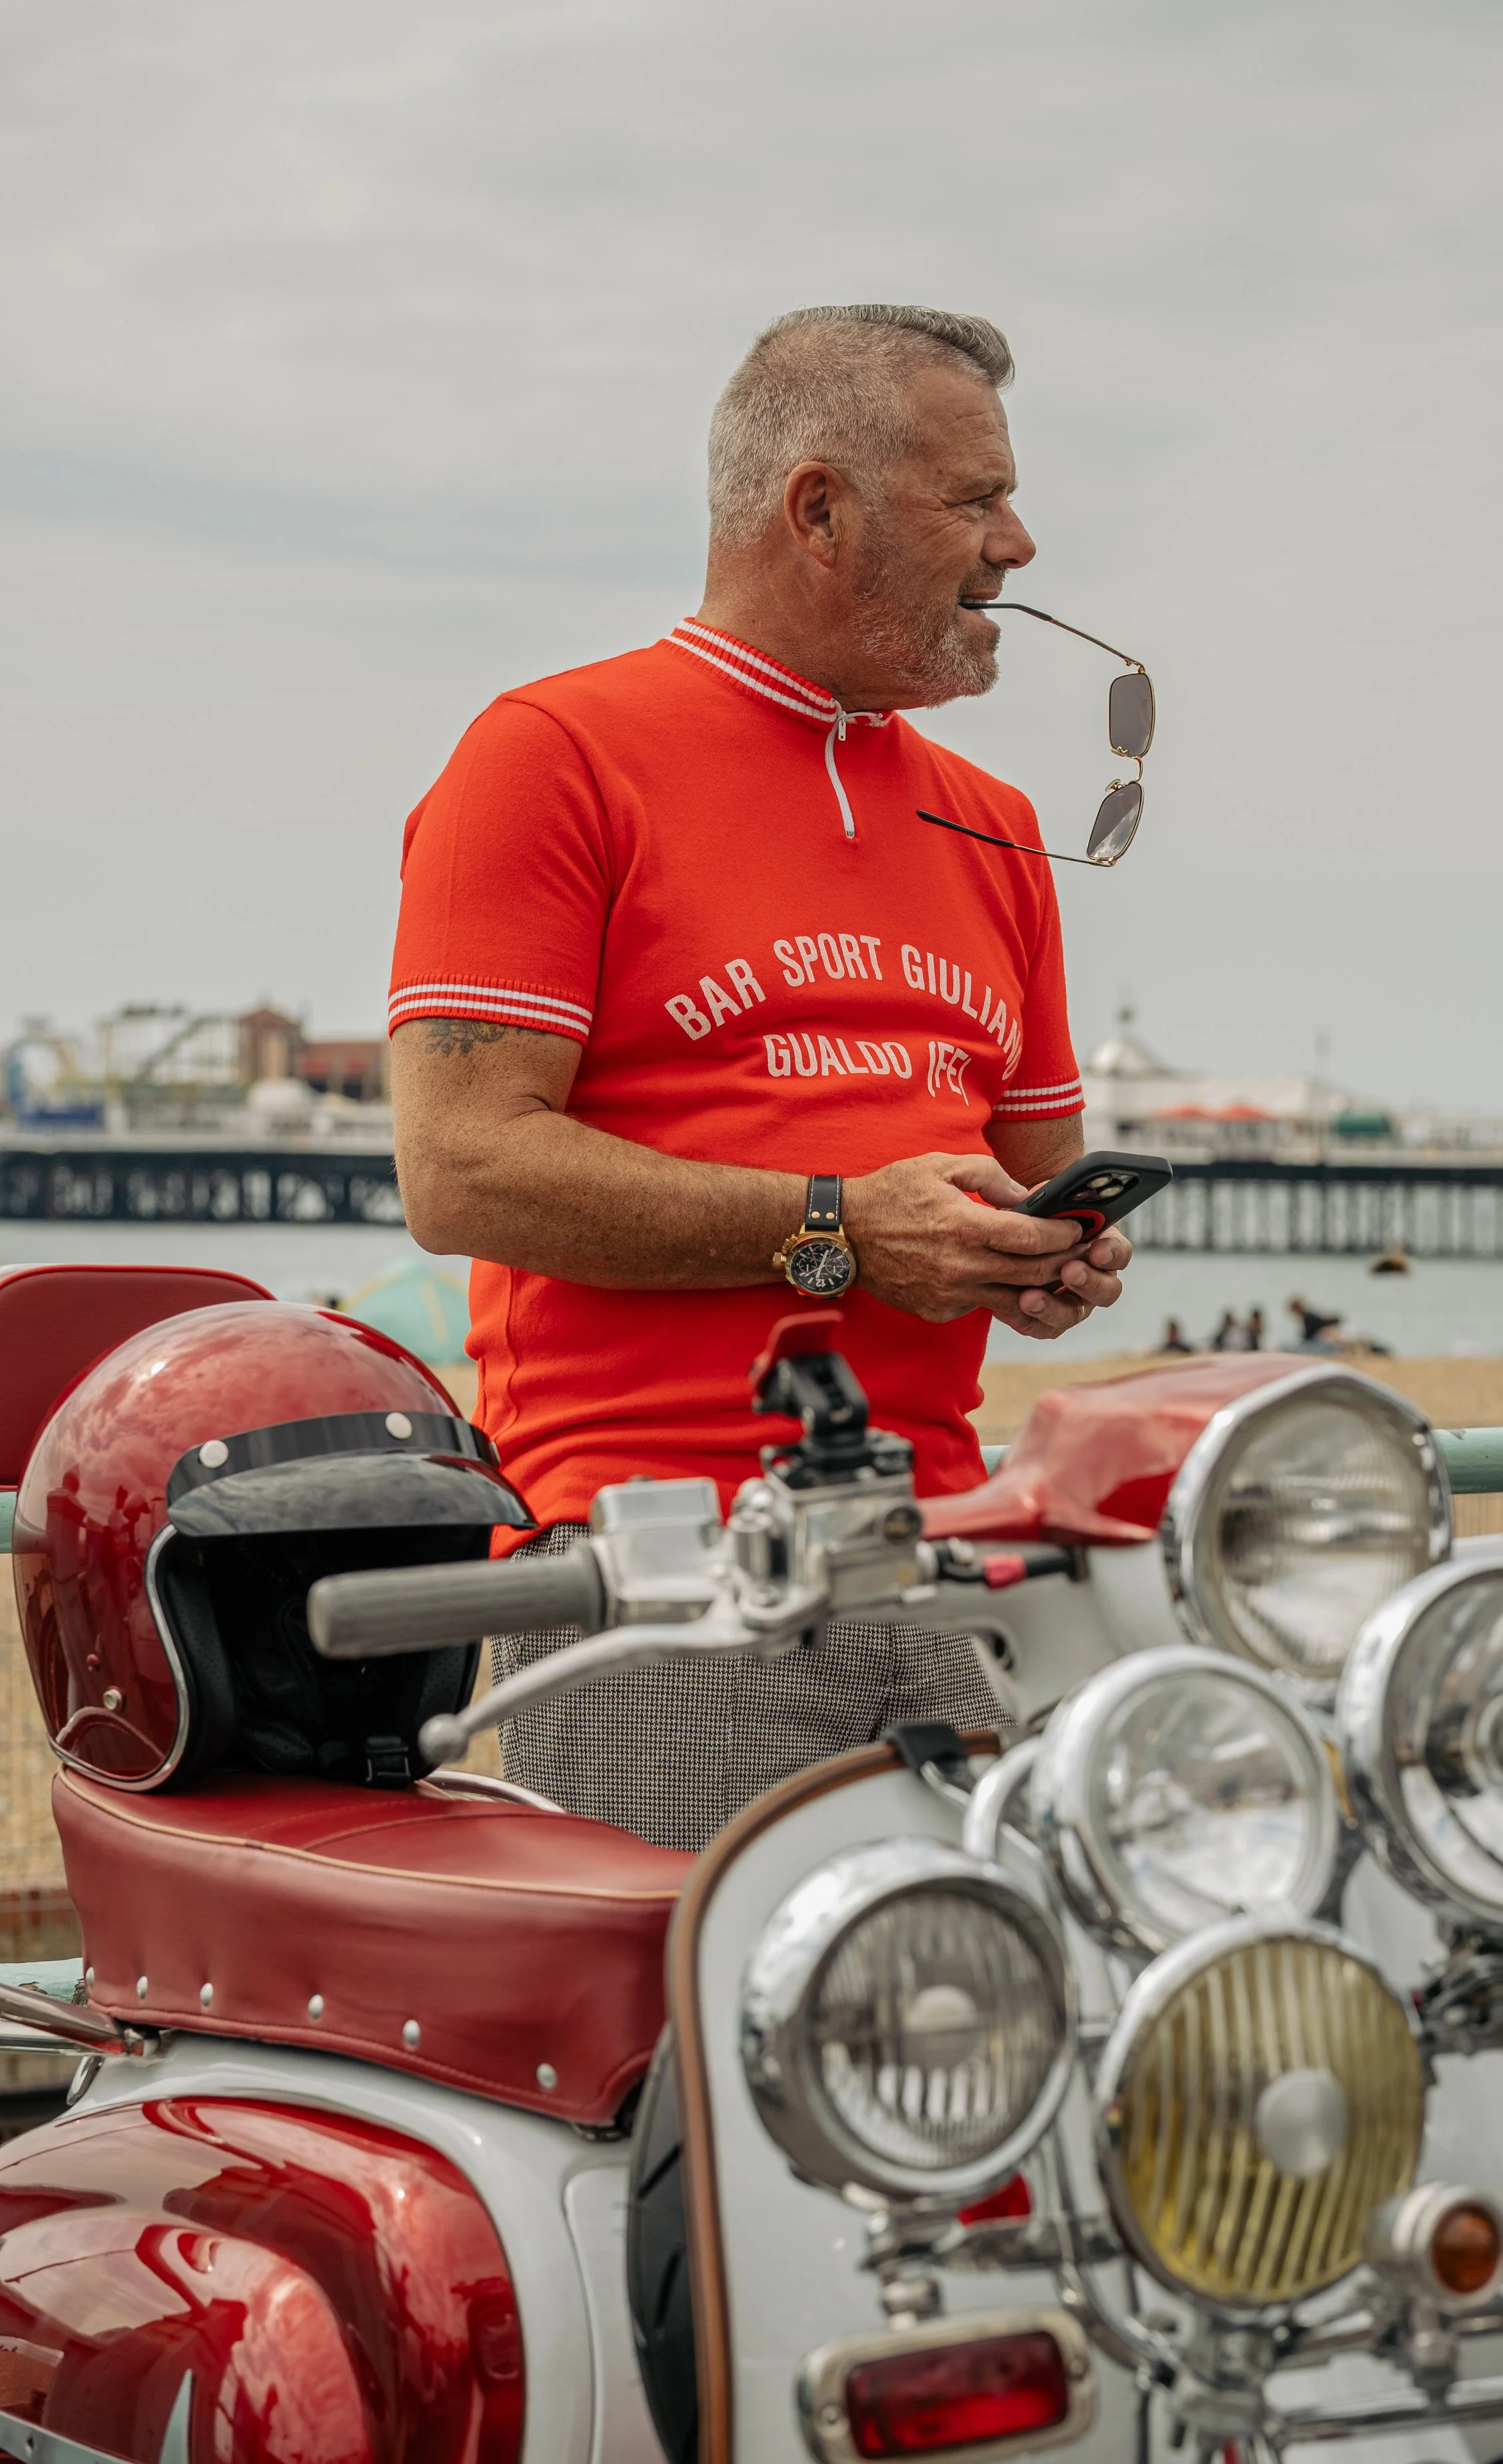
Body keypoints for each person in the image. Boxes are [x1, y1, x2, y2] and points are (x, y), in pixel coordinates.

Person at [389, 303, 1132, 1849]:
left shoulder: (994, 821)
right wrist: (840, 1225)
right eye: (973, 498)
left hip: (940, 1539)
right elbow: (459, 1170)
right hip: (654, 1568)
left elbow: (1016, 1167)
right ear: (818, 510)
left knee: (994, 2055)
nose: (1020, 543)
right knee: (687, 2075)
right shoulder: (550, 754)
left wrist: (1043, 1253)